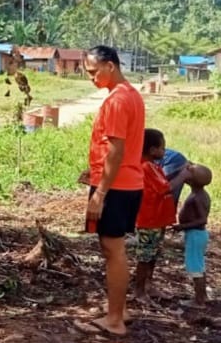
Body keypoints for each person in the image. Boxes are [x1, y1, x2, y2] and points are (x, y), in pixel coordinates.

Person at [82, 46, 145, 336]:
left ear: (110, 66)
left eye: (93, 71)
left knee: (113, 250)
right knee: (113, 249)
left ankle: (115, 320)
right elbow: (117, 149)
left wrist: (100, 193)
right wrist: (94, 174)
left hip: (117, 186)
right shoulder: (129, 95)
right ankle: (118, 309)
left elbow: (117, 151)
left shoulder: (118, 100)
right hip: (123, 181)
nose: (90, 77)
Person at [133, 129, 189, 302]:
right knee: (145, 257)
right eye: (162, 148)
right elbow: (167, 188)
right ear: (152, 150)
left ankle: (149, 286)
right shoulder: (146, 167)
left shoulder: (155, 166)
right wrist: (184, 174)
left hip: (158, 220)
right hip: (149, 221)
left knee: (153, 254)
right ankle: (139, 291)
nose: (165, 152)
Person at [172, 164, 212, 308]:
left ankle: (198, 301)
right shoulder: (200, 193)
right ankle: (203, 296)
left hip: (195, 235)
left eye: (189, 172)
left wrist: (181, 226)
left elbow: (202, 220)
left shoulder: (197, 197)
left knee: (195, 268)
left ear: (191, 181)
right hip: (197, 235)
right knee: (199, 266)